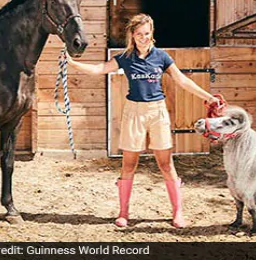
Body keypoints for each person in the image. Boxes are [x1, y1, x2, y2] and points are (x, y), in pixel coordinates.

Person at [66, 13, 220, 228]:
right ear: (132, 35)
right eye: (139, 34)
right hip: (134, 112)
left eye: (147, 34)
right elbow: (98, 69)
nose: (143, 38)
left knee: (166, 164)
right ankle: (123, 213)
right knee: (129, 164)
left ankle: (178, 213)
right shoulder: (124, 58)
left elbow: (182, 80)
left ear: (152, 33)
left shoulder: (162, 57)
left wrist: (209, 97)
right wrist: (72, 63)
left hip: (157, 112)